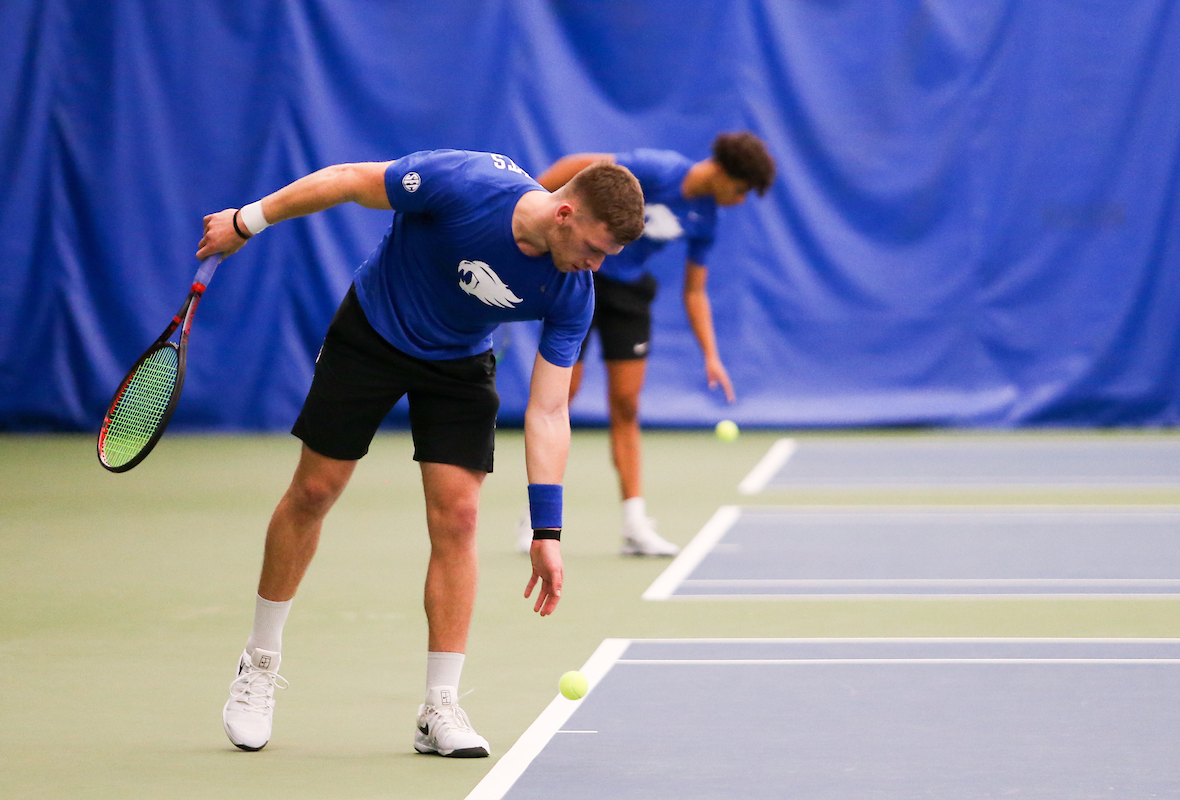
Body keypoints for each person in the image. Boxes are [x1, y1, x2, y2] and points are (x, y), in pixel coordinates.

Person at [196, 150, 644, 757]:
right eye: (594, 249)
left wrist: (549, 529)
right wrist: (249, 220)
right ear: (565, 214)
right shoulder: (465, 184)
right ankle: (258, 665)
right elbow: (349, 181)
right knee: (314, 491)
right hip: (373, 332)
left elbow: (548, 411)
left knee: (458, 517)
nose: (595, 265)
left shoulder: (573, 290)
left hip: (458, 361)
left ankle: (440, 707)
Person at [517, 132, 775, 556]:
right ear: (724, 174)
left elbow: (695, 293)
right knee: (561, 396)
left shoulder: (707, 220)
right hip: (582, 280)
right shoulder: (658, 169)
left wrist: (711, 355)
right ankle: (536, 517)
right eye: (742, 190)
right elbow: (579, 165)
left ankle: (635, 524)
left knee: (627, 405)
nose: (741, 200)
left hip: (629, 298)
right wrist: (531, 204)